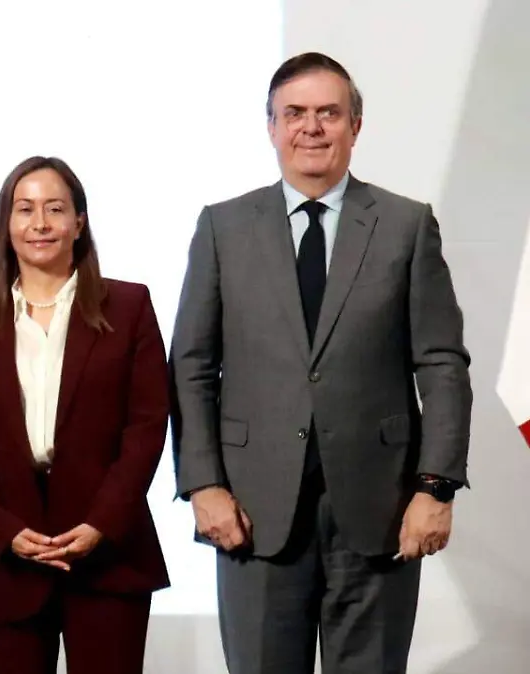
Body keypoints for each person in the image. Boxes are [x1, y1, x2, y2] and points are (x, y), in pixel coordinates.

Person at [170, 52, 472, 673]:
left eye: (328, 113)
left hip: (382, 509)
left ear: (355, 125)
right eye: (295, 113)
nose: (311, 127)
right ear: (272, 126)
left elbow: (442, 364)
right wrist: (203, 484)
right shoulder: (223, 227)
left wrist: (436, 486)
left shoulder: (406, 225)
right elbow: (192, 365)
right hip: (252, 512)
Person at [0, 156, 171, 674]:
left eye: (55, 209)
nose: (39, 223)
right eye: (24, 209)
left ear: (79, 223)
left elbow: (147, 425)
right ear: (6, 224)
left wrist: (102, 523)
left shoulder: (128, 307)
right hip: (9, 561)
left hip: (108, 557)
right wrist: (2, 529)